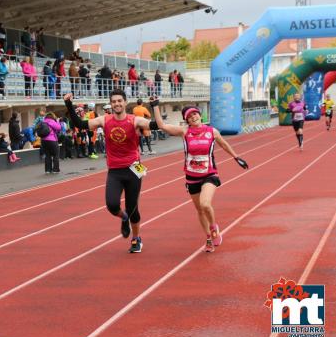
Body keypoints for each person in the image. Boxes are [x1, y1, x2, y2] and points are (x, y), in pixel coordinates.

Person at [150, 98, 249, 253]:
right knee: (200, 210)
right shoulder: (184, 132)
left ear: (200, 115)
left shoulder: (212, 131)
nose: (193, 117)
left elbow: (223, 144)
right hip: (191, 176)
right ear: (187, 120)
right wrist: (155, 106)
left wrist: (236, 157)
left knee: (205, 204)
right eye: (190, 116)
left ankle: (214, 226)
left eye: (195, 114)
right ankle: (208, 237)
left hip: (209, 174)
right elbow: (162, 126)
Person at [64, 90, 155, 253]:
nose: (117, 104)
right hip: (115, 169)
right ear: (111, 104)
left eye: (120, 101)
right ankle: (123, 217)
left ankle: (136, 239)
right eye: (114, 101)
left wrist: (154, 107)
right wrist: (69, 104)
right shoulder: (104, 121)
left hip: (134, 168)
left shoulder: (135, 120)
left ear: (125, 102)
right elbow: (79, 124)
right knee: (112, 204)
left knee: (133, 207)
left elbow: (154, 125)